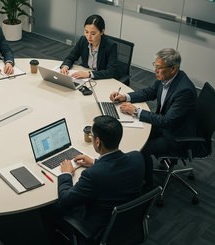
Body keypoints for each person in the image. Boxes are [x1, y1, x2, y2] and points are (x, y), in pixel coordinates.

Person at [43, 116, 145, 244]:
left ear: (97, 142)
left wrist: (66, 174)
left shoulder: (92, 175)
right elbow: (115, 171)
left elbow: (65, 200)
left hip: (99, 227)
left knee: (49, 208)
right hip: (127, 219)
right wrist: (96, 162)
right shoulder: (137, 157)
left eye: (91, 136)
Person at [110, 48, 197, 189]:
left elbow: (167, 122)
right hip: (164, 125)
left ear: (173, 68)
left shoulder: (184, 90)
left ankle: (148, 187)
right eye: (154, 66)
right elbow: (149, 92)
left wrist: (136, 111)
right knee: (132, 132)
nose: (155, 71)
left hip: (176, 135)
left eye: (159, 68)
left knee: (142, 148)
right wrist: (126, 97)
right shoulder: (166, 78)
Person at [60, 15, 120, 80]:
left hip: (101, 78)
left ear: (102, 32)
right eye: (86, 32)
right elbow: (70, 57)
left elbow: (111, 71)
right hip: (85, 77)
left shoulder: (110, 46)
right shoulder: (83, 40)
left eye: (93, 34)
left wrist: (89, 74)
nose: (88, 36)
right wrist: (65, 66)